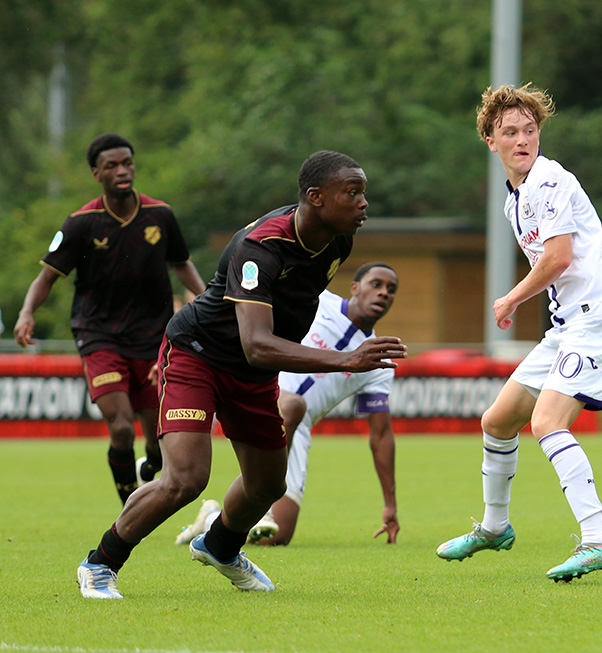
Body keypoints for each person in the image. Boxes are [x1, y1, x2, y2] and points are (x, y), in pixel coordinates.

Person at [75, 150, 407, 599]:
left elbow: (279, 327)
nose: (364, 203)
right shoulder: (262, 247)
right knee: (185, 479)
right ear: (316, 197)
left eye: (363, 193)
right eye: (353, 193)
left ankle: (220, 546)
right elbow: (257, 343)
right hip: (199, 355)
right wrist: (347, 359)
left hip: (253, 373)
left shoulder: (338, 238)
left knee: (268, 484)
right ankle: (100, 563)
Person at [436, 84, 602, 582]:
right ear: (491, 141)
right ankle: (495, 527)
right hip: (567, 326)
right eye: (510, 132)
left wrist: (510, 298)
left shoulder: (549, 181)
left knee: (548, 423)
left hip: (596, 320)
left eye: (529, 130)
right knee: (498, 421)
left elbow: (559, 258)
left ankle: (597, 540)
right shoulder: (515, 200)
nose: (522, 139)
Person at [13, 133, 206, 505]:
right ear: (96, 174)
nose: (122, 171)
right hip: (98, 335)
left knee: (156, 441)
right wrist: (26, 312)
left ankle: (146, 470)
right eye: (112, 166)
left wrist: (201, 300)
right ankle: (130, 506)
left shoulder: (160, 215)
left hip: (153, 338)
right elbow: (48, 275)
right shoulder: (81, 223)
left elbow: (181, 262)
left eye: (127, 163)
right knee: (120, 428)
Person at [174, 261, 401, 547]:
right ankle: (262, 508)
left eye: (390, 290)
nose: (383, 293)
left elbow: (380, 435)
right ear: (355, 287)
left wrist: (390, 505)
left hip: (298, 428)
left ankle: (210, 518)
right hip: (264, 392)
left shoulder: (378, 360)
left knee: (277, 536)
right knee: (292, 405)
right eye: (376, 285)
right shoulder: (319, 300)